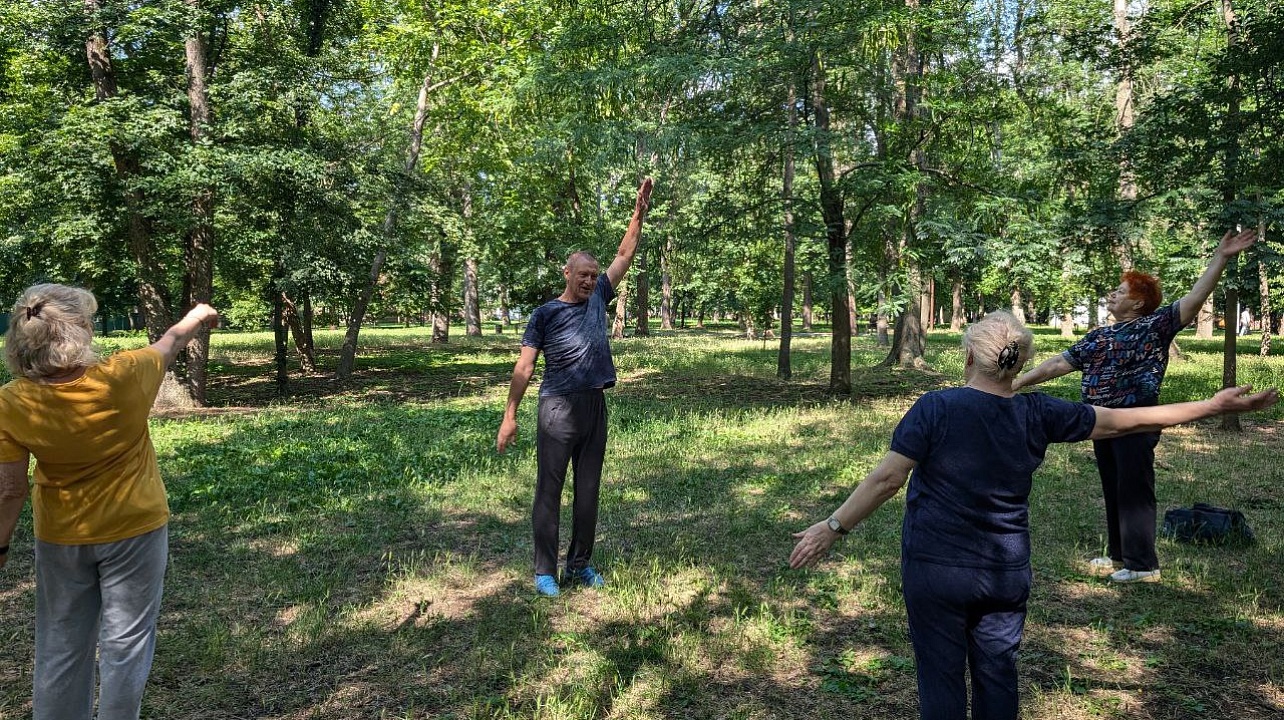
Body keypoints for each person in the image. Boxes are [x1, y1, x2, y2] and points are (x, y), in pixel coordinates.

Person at [789, 311, 1276, 720]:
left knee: (940, 678)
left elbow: (887, 480)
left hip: (936, 570)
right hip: (1006, 572)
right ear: (1019, 364)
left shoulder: (936, 407)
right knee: (998, 675)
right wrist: (1211, 405)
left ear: (968, 357)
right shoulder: (1038, 413)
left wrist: (832, 527)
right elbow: (1126, 421)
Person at [0, 284, 218, 720]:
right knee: (126, 644)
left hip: (62, 536)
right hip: (136, 529)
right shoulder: (125, 374)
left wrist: (0, 546)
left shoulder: (11, 401)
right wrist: (198, 315)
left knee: (61, 643)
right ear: (81, 329)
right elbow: (171, 341)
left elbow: (10, 489)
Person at [1011, 227, 1257, 583]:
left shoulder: (1155, 326)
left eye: (1121, 291)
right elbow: (1058, 364)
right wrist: (1017, 382)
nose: (1112, 294)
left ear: (1138, 303)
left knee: (1134, 489)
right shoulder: (1099, 335)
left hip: (1137, 420)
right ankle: (1119, 556)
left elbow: (1194, 299)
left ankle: (1143, 565)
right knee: (1113, 486)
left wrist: (1220, 257)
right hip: (1101, 421)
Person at [497, 178, 653, 597]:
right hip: (556, 409)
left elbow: (625, 254)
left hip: (593, 406)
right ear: (567, 274)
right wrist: (509, 416)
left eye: (593, 276)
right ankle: (545, 571)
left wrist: (638, 213)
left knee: (588, 492)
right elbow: (525, 366)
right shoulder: (544, 314)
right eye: (582, 275)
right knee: (549, 490)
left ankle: (580, 564)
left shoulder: (600, 296)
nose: (589, 281)